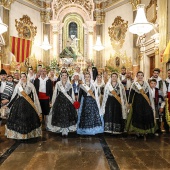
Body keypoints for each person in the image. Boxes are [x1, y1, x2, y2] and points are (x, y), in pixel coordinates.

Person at [5, 73, 42, 139]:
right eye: (21, 77)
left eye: (24, 76)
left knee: (28, 120)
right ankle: (20, 136)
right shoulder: (18, 85)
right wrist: (8, 105)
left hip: (29, 105)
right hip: (19, 104)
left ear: (26, 77)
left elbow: (34, 96)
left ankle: (28, 135)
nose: (23, 78)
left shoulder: (31, 85)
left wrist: (35, 106)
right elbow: (15, 96)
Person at [126, 71, 156, 139]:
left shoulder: (146, 84)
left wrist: (150, 103)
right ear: (136, 76)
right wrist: (130, 103)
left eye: (141, 75)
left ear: (143, 76)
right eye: (139, 75)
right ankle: (138, 132)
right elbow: (131, 94)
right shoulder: (134, 84)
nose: (140, 76)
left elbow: (149, 95)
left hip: (145, 103)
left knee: (146, 115)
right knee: (137, 116)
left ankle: (146, 131)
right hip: (137, 103)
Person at [46, 71, 77, 136]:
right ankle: (60, 128)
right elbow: (55, 93)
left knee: (67, 115)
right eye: (63, 75)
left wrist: (73, 102)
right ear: (61, 76)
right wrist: (53, 102)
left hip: (68, 102)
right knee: (60, 115)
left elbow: (72, 94)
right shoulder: (58, 83)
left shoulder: (69, 84)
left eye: (65, 75)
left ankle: (66, 129)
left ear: (67, 76)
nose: (64, 76)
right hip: (59, 102)